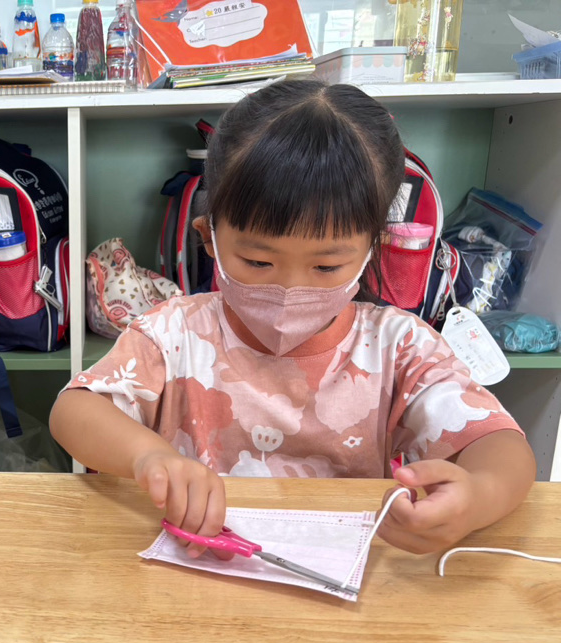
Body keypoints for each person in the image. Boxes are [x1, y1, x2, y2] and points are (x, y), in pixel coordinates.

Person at [51, 80, 535, 557]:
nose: (288, 290)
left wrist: (477, 497)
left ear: (372, 251)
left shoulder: (398, 347)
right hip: (201, 568)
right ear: (209, 239)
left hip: (340, 578)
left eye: (326, 267)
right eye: (257, 261)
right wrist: (148, 456)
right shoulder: (174, 333)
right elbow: (74, 411)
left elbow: (501, 445)